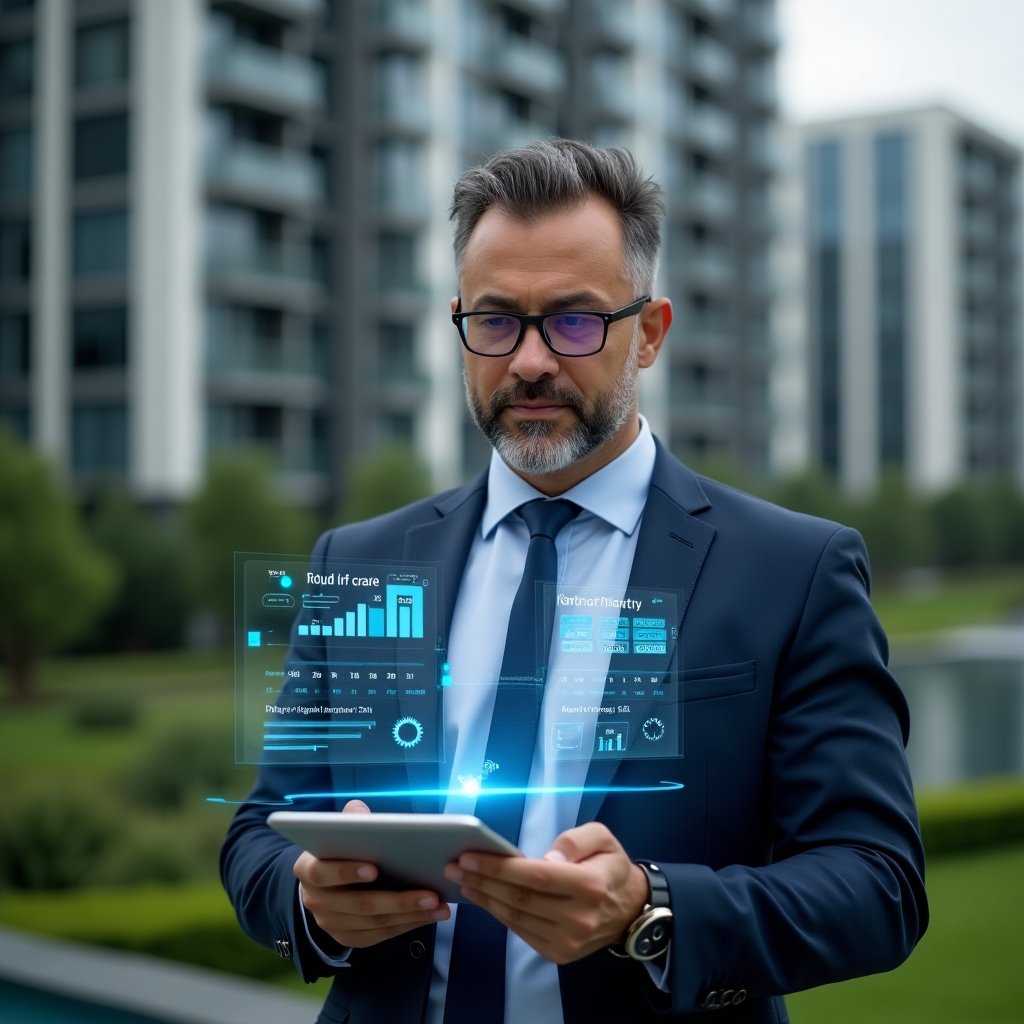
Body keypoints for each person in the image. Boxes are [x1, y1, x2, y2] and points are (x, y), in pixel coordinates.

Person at [222, 139, 928, 1024]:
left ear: (652, 333)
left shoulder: (794, 570)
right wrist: (310, 903)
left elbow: (878, 883)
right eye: (495, 320)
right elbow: (259, 830)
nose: (528, 360)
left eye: (575, 321)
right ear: (458, 324)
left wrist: (652, 910)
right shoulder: (359, 564)